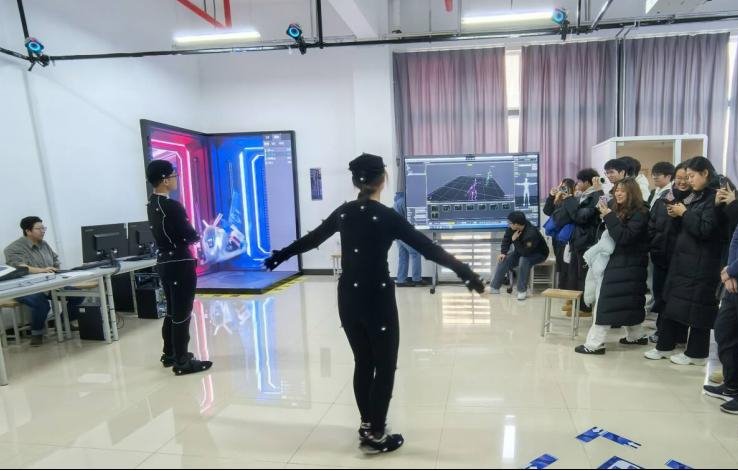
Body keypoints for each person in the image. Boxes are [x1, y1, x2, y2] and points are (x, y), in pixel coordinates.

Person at [264, 153, 485, 454]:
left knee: (363, 361)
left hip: (348, 297)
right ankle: (376, 434)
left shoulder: (344, 213)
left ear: (356, 181)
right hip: (377, 298)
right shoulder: (387, 216)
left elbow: (312, 239)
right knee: (384, 365)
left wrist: (280, 256)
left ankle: (367, 424)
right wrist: (466, 273)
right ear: (383, 180)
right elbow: (428, 248)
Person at [645, 157, 723, 366]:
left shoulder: (715, 196)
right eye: (685, 177)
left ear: (705, 173)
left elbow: (705, 229)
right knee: (672, 303)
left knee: (699, 309)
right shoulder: (700, 195)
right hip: (685, 259)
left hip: (703, 262)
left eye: (691, 176)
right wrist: (679, 214)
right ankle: (665, 346)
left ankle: (696, 354)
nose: (688, 181)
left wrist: (685, 212)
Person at [146, 160, 213, 376]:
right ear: (165, 180)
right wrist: (199, 235)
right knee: (182, 312)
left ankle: (170, 354)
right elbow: (189, 235)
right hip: (180, 262)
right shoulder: (171, 206)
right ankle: (182, 361)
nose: (176, 179)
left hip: (165, 262)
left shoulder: (152, 204)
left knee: (172, 311)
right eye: (174, 176)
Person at [575, 178, 650, 354]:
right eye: (616, 190)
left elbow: (624, 237)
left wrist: (609, 216)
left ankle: (594, 344)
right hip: (624, 263)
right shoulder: (620, 209)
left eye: (623, 190)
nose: (618, 193)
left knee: (606, 302)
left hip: (627, 263)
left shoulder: (641, 213)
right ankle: (636, 335)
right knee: (627, 301)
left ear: (632, 193)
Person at [3, 217, 83, 346]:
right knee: (41, 304)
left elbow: (55, 260)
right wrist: (43, 270)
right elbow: (21, 268)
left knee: (78, 295)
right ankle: (36, 333)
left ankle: (62, 323)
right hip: (25, 288)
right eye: (39, 228)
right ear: (28, 231)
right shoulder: (13, 249)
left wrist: (56, 269)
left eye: (43, 228)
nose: (43, 231)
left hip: (49, 284)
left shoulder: (44, 244)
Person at [648, 162, 687, 343]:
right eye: (679, 178)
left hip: (681, 260)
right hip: (660, 256)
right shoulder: (664, 198)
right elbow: (652, 224)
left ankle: (678, 334)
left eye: (687, 178)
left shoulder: (694, 201)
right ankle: (661, 331)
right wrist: (653, 244)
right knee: (660, 295)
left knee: (677, 298)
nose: (682, 182)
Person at [557, 168, 604, 316]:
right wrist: (566, 199)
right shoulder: (583, 196)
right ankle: (576, 303)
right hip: (577, 240)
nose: (577, 184)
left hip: (587, 242)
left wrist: (570, 199)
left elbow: (580, 217)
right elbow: (567, 217)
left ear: (587, 182)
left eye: (579, 181)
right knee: (574, 274)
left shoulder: (595, 196)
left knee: (584, 276)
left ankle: (585, 308)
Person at [703, 223, 738, 414]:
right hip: (734, 283)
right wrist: (731, 274)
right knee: (724, 331)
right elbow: (735, 240)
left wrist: (731, 271)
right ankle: (732, 385)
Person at [489, 211, 549, 301]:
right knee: (504, 259)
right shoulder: (512, 228)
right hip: (521, 251)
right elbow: (506, 239)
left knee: (524, 260)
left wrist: (515, 240)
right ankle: (495, 287)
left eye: (510, 223)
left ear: (516, 224)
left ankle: (522, 291)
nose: (508, 224)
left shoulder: (531, 233)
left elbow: (525, 253)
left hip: (538, 254)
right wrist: (503, 253)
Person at [543, 178, 576, 289]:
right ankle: (561, 288)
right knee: (560, 265)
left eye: (565, 187)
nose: (563, 189)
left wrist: (568, 198)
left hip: (566, 239)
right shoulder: (558, 200)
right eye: (561, 187)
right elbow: (547, 211)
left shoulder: (572, 201)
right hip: (556, 238)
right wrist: (551, 196)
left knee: (566, 265)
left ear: (571, 189)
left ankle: (565, 289)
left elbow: (562, 218)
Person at [392, 192, 422, 287]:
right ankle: (417, 279)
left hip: (397, 233)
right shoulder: (404, 201)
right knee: (416, 252)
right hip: (403, 233)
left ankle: (401, 280)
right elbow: (410, 218)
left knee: (403, 255)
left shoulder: (397, 201)